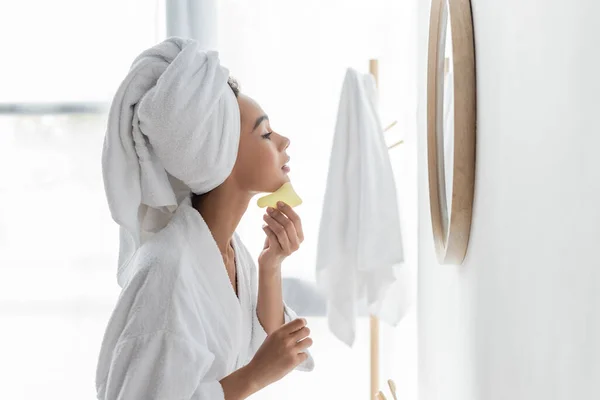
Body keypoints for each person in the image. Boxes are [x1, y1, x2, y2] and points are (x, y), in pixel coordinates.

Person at [95, 37, 314, 400]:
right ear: (220, 157)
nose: (283, 141)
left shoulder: (229, 251)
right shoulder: (167, 269)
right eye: (265, 133)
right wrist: (254, 377)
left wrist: (271, 265)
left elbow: (262, 341)